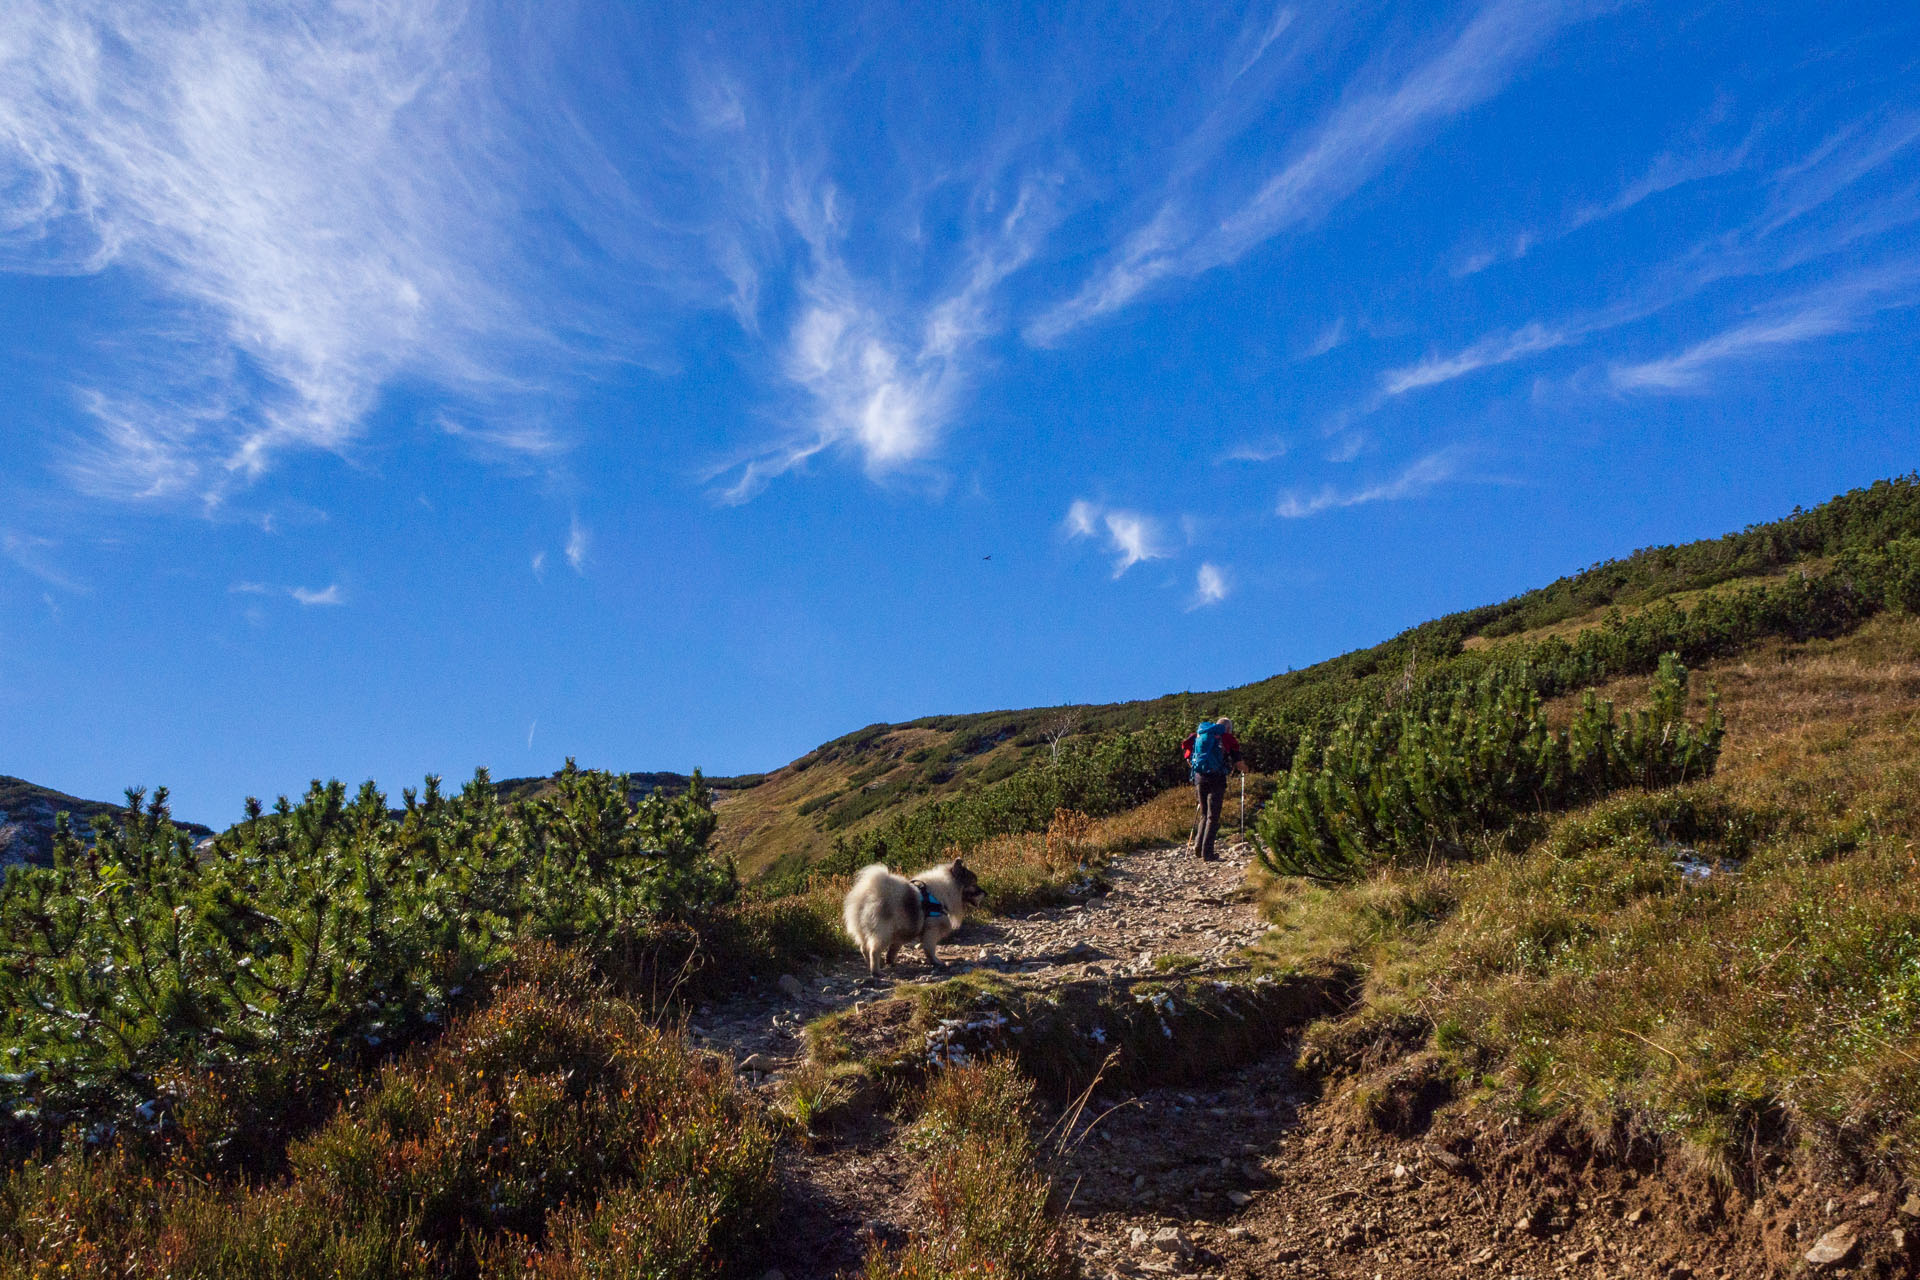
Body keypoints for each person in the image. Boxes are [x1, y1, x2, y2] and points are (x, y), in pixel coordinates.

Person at [1182, 717, 1247, 861]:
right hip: (1216, 779)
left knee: (1204, 814)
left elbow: (1188, 758)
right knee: (1213, 816)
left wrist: (1200, 770)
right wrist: (1245, 769)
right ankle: (1208, 853)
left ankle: (1198, 849)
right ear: (1228, 728)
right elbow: (1238, 763)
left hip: (1199, 779)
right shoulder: (1227, 738)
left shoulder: (1198, 735)